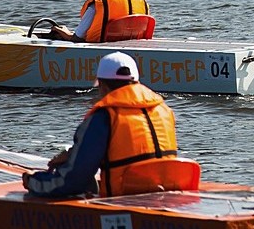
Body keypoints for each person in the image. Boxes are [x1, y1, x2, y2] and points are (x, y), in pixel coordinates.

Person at [23, 52, 196, 198]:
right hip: (165, 193)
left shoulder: (103, 117)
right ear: (136, 82)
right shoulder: (164, 110)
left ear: (103, 86)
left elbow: (74, 182)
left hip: (123, 201)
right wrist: (73, 154)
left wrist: (35, 182)